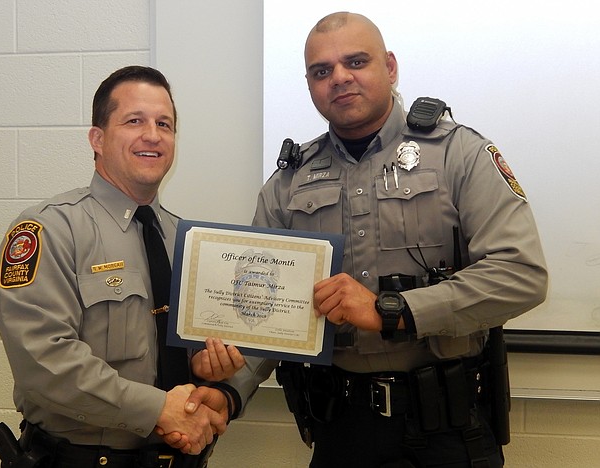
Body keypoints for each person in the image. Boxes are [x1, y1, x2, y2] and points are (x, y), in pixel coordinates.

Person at [186, 11, 548, 468]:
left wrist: (391, 312)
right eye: (322, 71)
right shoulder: (288, 183)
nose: (339, 78)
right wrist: (230, 393)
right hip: (343, 430)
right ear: (310, 83)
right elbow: (267, 310)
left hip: (449, 432)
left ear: (390, 67)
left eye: (355, 62)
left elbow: (522, 275)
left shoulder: (460, 154)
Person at [0, 65, 243, 468]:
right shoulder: (50, 230)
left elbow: (202, 356)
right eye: (134, 121)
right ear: (98, 138)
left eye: (165, 123)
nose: (153, 135)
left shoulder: (188, 241)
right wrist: (160, 409)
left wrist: (215, 380)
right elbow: (44, 363)